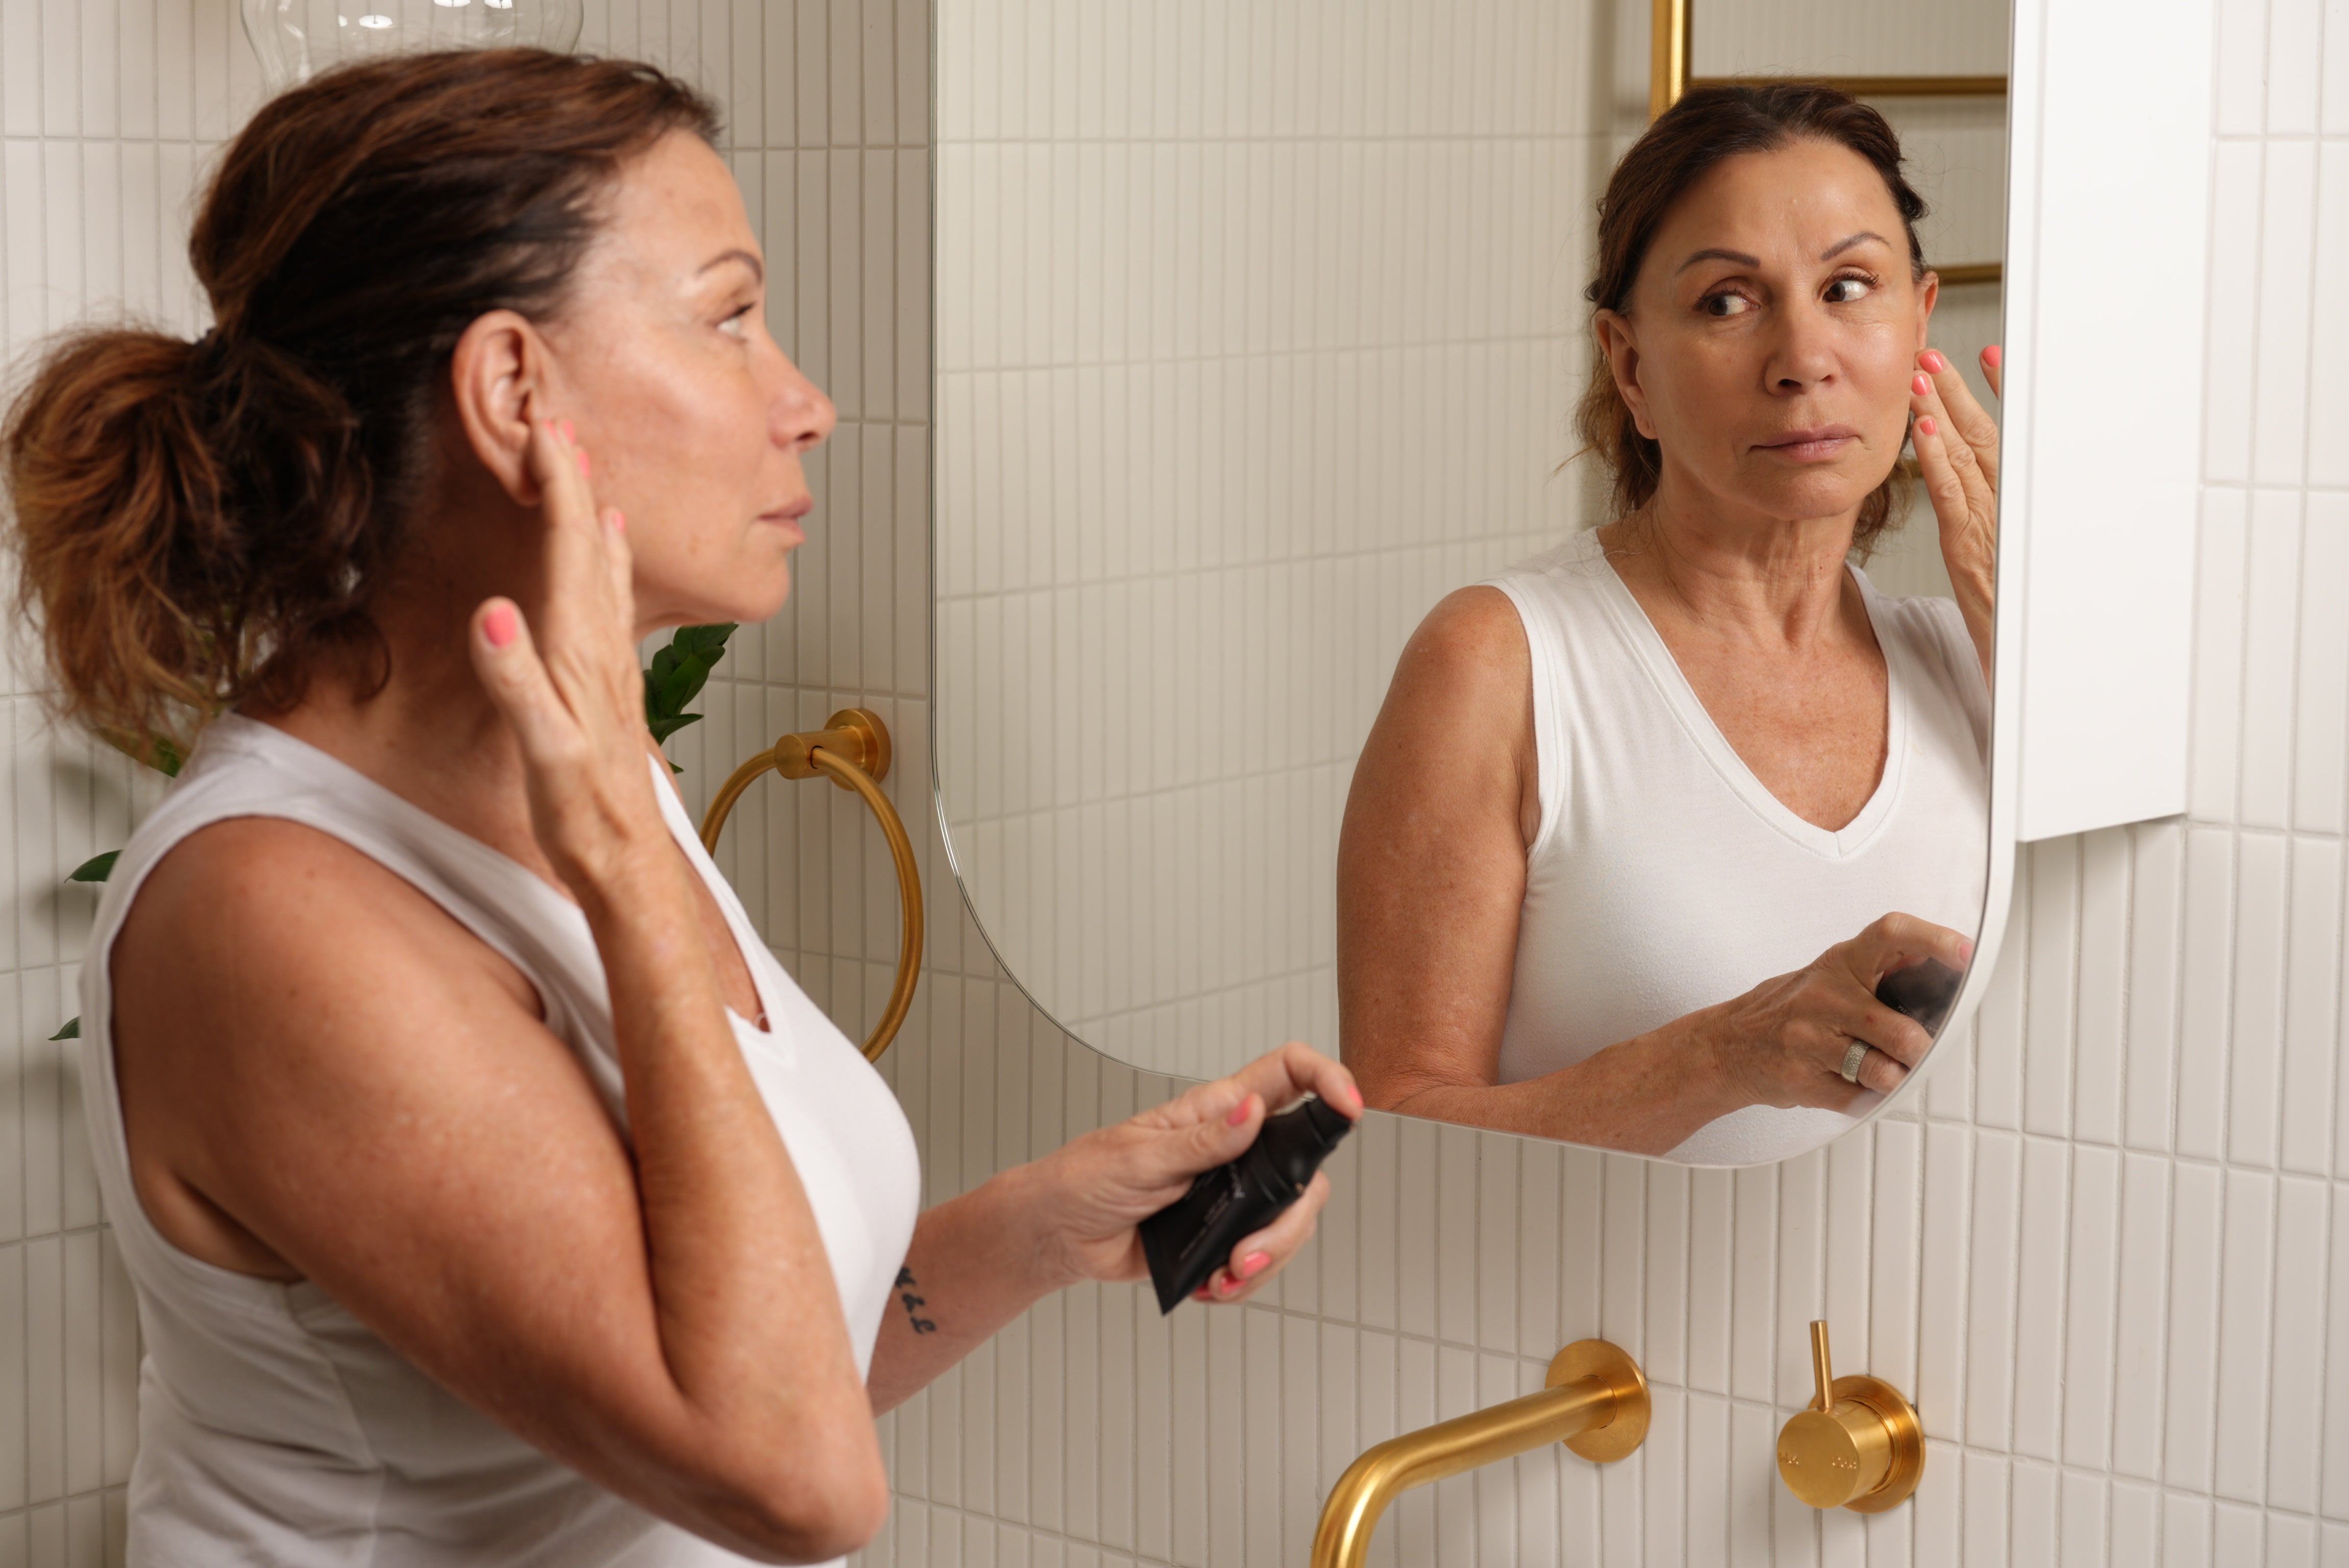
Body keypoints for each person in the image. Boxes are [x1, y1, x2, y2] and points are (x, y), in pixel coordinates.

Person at [6, 51, 1359, 1565]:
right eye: (730, 318)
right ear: (513, 392)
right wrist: (622, 861)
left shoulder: (591, 767)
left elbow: (732, 1382)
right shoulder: (269, 915)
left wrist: (1036, 1231)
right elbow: (789, 1479)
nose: (807, 404)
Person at [1337, 84, 1999, 1164]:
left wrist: (2035, 642)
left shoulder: (1985, 665)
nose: (1803, 358)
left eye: (1848, 287)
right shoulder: (1502, 665)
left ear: (1920, 323)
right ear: (1631, 365)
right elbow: (1392, 1143)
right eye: (1727, 302)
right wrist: (1724, 1055)